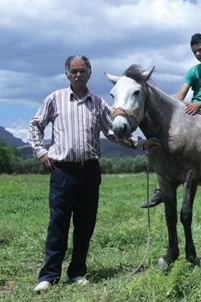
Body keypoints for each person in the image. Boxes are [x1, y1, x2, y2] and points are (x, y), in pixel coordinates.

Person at [28, 55, 160, 293]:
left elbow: (113, 132)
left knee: (85, 224)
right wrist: (40, 153)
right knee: (57, 224)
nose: (78, 75)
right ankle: (49, 275)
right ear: (67, 73)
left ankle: (78, 271)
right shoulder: (54, 99)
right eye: (73, 71)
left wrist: (142, 144)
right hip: (62, 170)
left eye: (82, 71)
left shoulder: (98, 103)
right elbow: (35, 125)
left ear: (89, 73)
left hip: (89, 171)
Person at [140, 33, 201, 208]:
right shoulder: (193, 71)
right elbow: (181, 94)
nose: (198, 54)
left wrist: (200, 104)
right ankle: (161, 186)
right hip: (194, 107)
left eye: (200, 50)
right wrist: (173, 109)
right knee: (169, 135)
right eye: (195, 52)